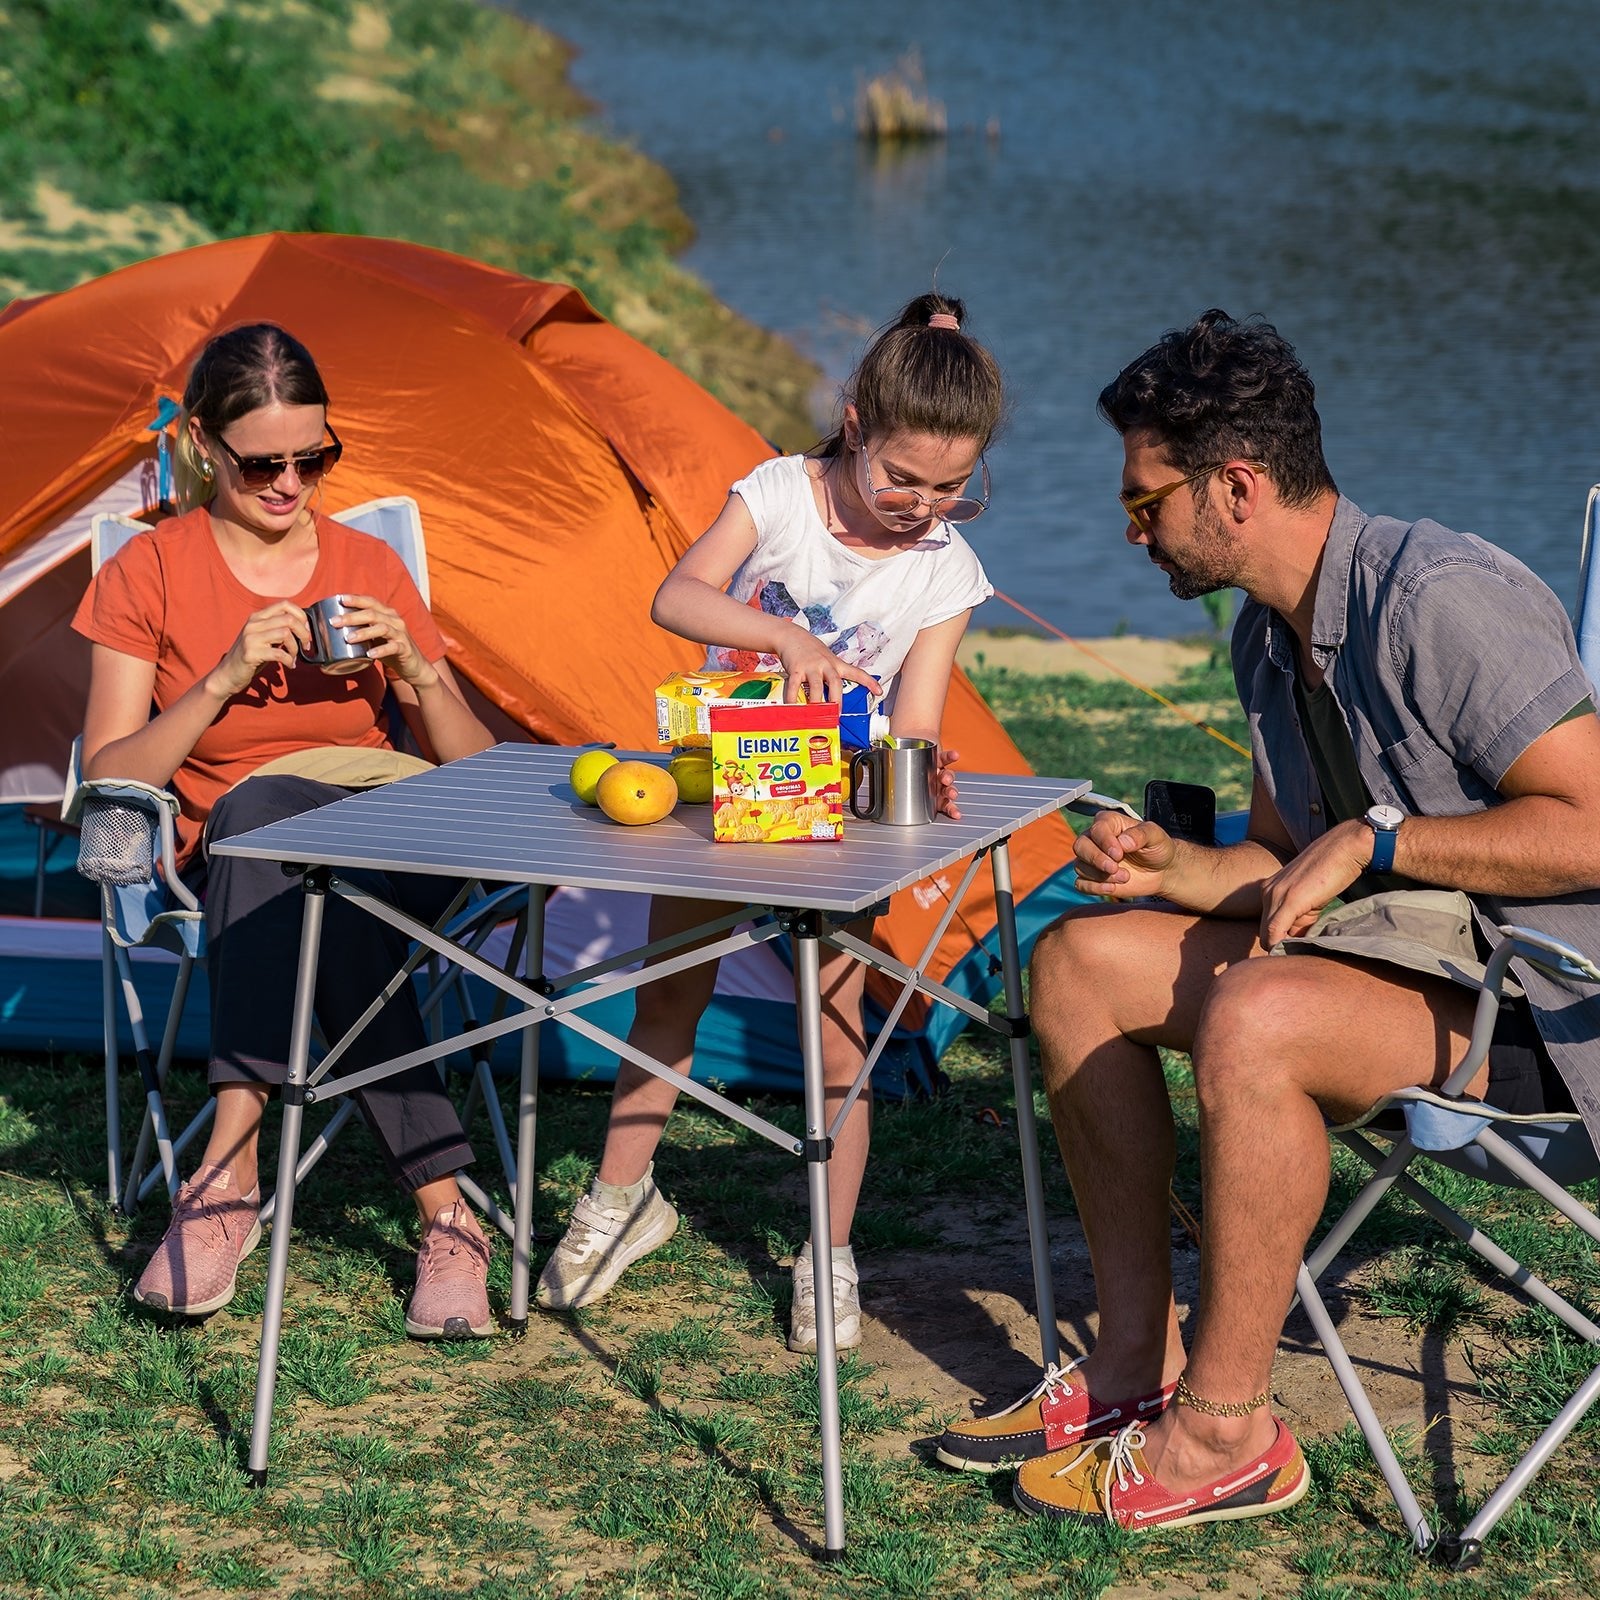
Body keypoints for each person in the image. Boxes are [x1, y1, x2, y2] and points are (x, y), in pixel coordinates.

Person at [933, 309, 1600, 1529]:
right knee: (1078, 962)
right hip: (1390, 960)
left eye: (1146, 503)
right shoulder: (1267, 634)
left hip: (1545, 999)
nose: (1130, 531)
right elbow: (1281, 863)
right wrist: (1173, 865)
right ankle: (1135, 1366)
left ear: (1233, 485)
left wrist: (1385, 838)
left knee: (1257, 1015)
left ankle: (1225, 1431)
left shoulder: (1440, 599)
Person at [535, 292, 1004, 1352]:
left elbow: (918, 711)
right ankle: (622, 1200)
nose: (919, 505)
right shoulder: (779, 496)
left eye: (949, 489)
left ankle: (827, 1253)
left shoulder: (944, 569)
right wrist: (776, 639)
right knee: (669, 1005)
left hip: (833, 811)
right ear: (852, 421)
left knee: (839, 1043)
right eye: (900, 478)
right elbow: (678, 596)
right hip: (718, 795)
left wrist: (923, 768)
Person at [74, 323, 500, 1339]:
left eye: (315, 457)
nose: (291, 483)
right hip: (240, 852)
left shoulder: (365, 564)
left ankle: (224, 1182)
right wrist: (220, 679)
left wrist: (416, 669)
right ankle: (449, 1211)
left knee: (303, 865)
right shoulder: (152, 571)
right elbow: (110, 772)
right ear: (206, 449)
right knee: (269, 830)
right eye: (264, 462)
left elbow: (474, 774)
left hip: (390, 826)